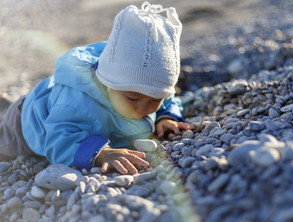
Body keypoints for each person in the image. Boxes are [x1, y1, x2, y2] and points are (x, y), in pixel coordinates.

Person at [0, 2, 193, 174]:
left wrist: (167, 115)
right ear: (108, 84)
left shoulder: (146, 87)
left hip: (49, 97)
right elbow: (58, 141)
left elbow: (168, 97)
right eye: (132, 99)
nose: (142, 108)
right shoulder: (77, 104)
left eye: (154, 100)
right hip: (25, 121)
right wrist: (101, 153)